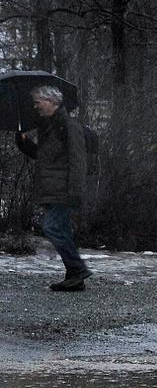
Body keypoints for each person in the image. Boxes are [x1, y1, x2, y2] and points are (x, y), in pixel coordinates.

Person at [14, 85, 92, 291]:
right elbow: (43, 158)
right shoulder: (48, 128)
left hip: (64, 190)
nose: (35, 105)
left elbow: (78, 161)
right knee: (62, 228)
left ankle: (77, 269)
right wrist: (23, 142)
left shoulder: (68, 126)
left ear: (53, 102)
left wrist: (75, 192)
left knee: (51, 227)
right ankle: (75, 278)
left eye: (39, 100)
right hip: (52, 189)